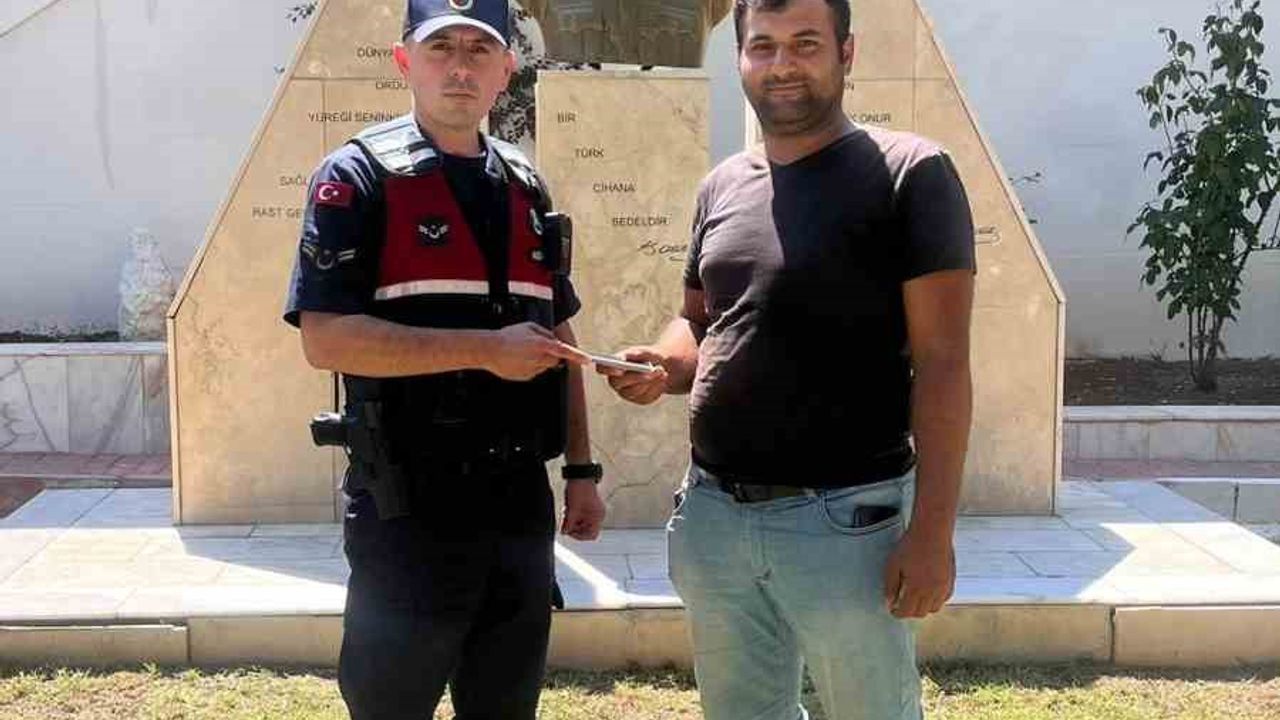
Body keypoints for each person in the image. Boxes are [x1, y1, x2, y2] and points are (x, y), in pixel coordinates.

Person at [599, 0, 975, 717]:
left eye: (805, 44)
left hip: (846, 524)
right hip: (714, 516)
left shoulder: (911, 174)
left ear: (846, 52)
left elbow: (944, 363)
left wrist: (932, 533)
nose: (782, 65)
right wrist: (664, 363)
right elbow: (699, 321)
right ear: (740, 58)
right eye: (763, 46)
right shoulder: (721, 185)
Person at [282, 1, 607, 717]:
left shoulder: (525, 185)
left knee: (506, 704)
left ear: (506, 71)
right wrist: (485, 351)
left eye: (479, 50)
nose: (460, 67)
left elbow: (558, 335)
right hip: (409, 505)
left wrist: (582, 471)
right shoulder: (357, 177)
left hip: (518, 501)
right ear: (405, 62)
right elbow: (324, 338)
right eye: (441, 49)